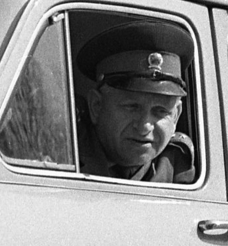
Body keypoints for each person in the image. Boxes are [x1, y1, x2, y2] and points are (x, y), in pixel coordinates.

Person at [75, 21, 196, 182]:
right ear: (96, 106)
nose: (145, 126)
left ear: (175, 116)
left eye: (160, 111)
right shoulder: (64, 158)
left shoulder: (178, 166)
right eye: (132, 107)